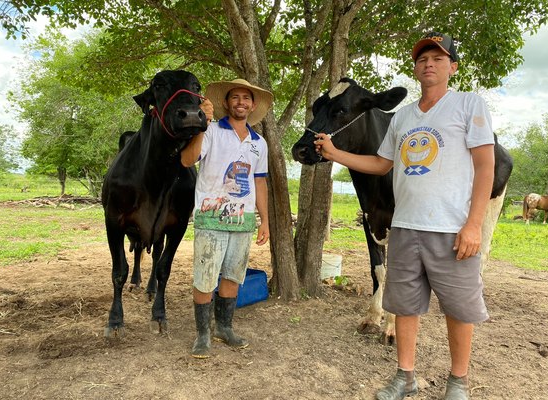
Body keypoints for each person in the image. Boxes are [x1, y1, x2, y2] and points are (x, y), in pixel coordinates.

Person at [314, 32, 495, 400]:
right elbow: (382, 164)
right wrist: (335, 154)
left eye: (438, 58)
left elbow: (485, 164)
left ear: (452, 67)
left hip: (451, 228)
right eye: (423, 59)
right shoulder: (403, 117)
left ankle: (458, 382)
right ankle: (405, 377)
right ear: (415, 68)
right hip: (405, 227)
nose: (429, 64)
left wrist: (474, 223)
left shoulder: (468, 104)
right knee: (404, 307)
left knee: (458, 310)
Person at [181, 78, 273, 359]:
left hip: (243, 220)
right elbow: (187, 161)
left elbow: (259, 183)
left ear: (253, 105)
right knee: (205, 278)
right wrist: (201, 126)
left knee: (233, 275)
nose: (241, 102)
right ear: (226, 103)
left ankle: (224, 327)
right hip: (211, 216)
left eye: (246, 98)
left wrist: (264, 221)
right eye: (235, 97)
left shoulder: (259, 143)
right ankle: (203, 333)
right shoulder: (211, 132)